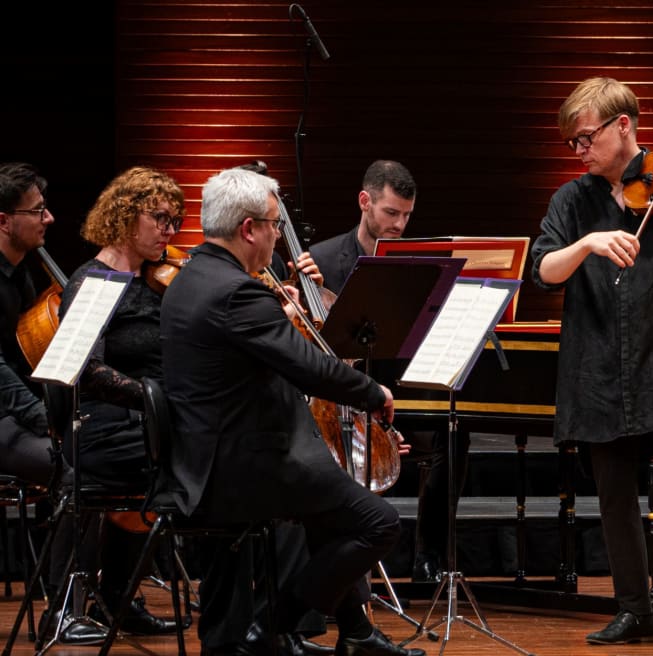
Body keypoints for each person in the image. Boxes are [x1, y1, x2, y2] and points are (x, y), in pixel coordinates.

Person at [160, 166, 425, 656]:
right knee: (379, 523)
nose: (278, 235)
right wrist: (373, 392)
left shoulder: (192, 278)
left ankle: (354, 633)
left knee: (330, 513)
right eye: (274, 224)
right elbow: (309, 367)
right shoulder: (238, 292)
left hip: (208, 455)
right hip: (244, 467)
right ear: (248, 229)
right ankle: (272, 625)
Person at [531, 76, 653, 648]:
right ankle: (634, 610)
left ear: (624, 126)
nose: (579, 150)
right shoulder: (572, 201)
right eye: (572, 142)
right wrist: (588, 243)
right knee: (614, 490)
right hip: (597, 365)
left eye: (586, 137)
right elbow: (543, 270)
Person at [301, 159, 466, 583]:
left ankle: (430, 556)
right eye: (391, 213)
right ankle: (342, 556)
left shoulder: (418, 262)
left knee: (452, 435)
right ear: (365, 201)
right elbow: (309, 347)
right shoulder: (321, 260)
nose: (399, 225)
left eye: (407, 215)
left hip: (401, 392)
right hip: (346, 398)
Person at [56, 166, 184, 636]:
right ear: (126, 216)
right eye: (160, 218)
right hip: (103, 428)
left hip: (150, 424)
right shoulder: (93, 282)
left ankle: (117, 599)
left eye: (174, 221)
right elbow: (86, 371)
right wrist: (157, 400)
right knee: (196, 460)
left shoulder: (156, 279)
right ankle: (64, 609)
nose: (170, 231)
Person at [0, 162, 57, 487]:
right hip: (3, 415)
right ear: (4, 221)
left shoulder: (21, 273)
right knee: (71, 469)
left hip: (15, 411)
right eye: (37, 211)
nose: (48, 218)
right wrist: (40, 415)